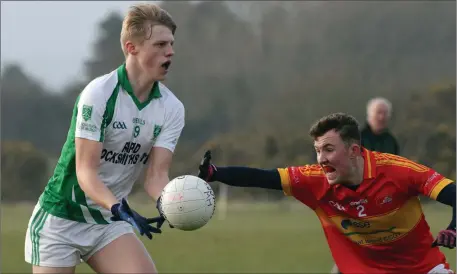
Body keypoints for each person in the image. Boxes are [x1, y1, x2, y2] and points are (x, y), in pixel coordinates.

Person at [24, 3, 183, 273]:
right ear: (131, 48)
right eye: (160, 45)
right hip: (61, 218)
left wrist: (175, 204)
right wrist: (120, 208)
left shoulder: (171, 108)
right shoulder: (98, 95)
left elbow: (156, 177)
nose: (170, 52)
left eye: (171, 44)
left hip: (108, 222)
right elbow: (86, 174)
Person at [197, 113, 456, 274]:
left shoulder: (399, 171)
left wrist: (454, 228)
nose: (321, 159)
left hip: (424, 269)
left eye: (329, 149)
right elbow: (263, 177)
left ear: (354, 151)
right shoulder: (313, 180)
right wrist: (215, 172)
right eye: (318, 150)